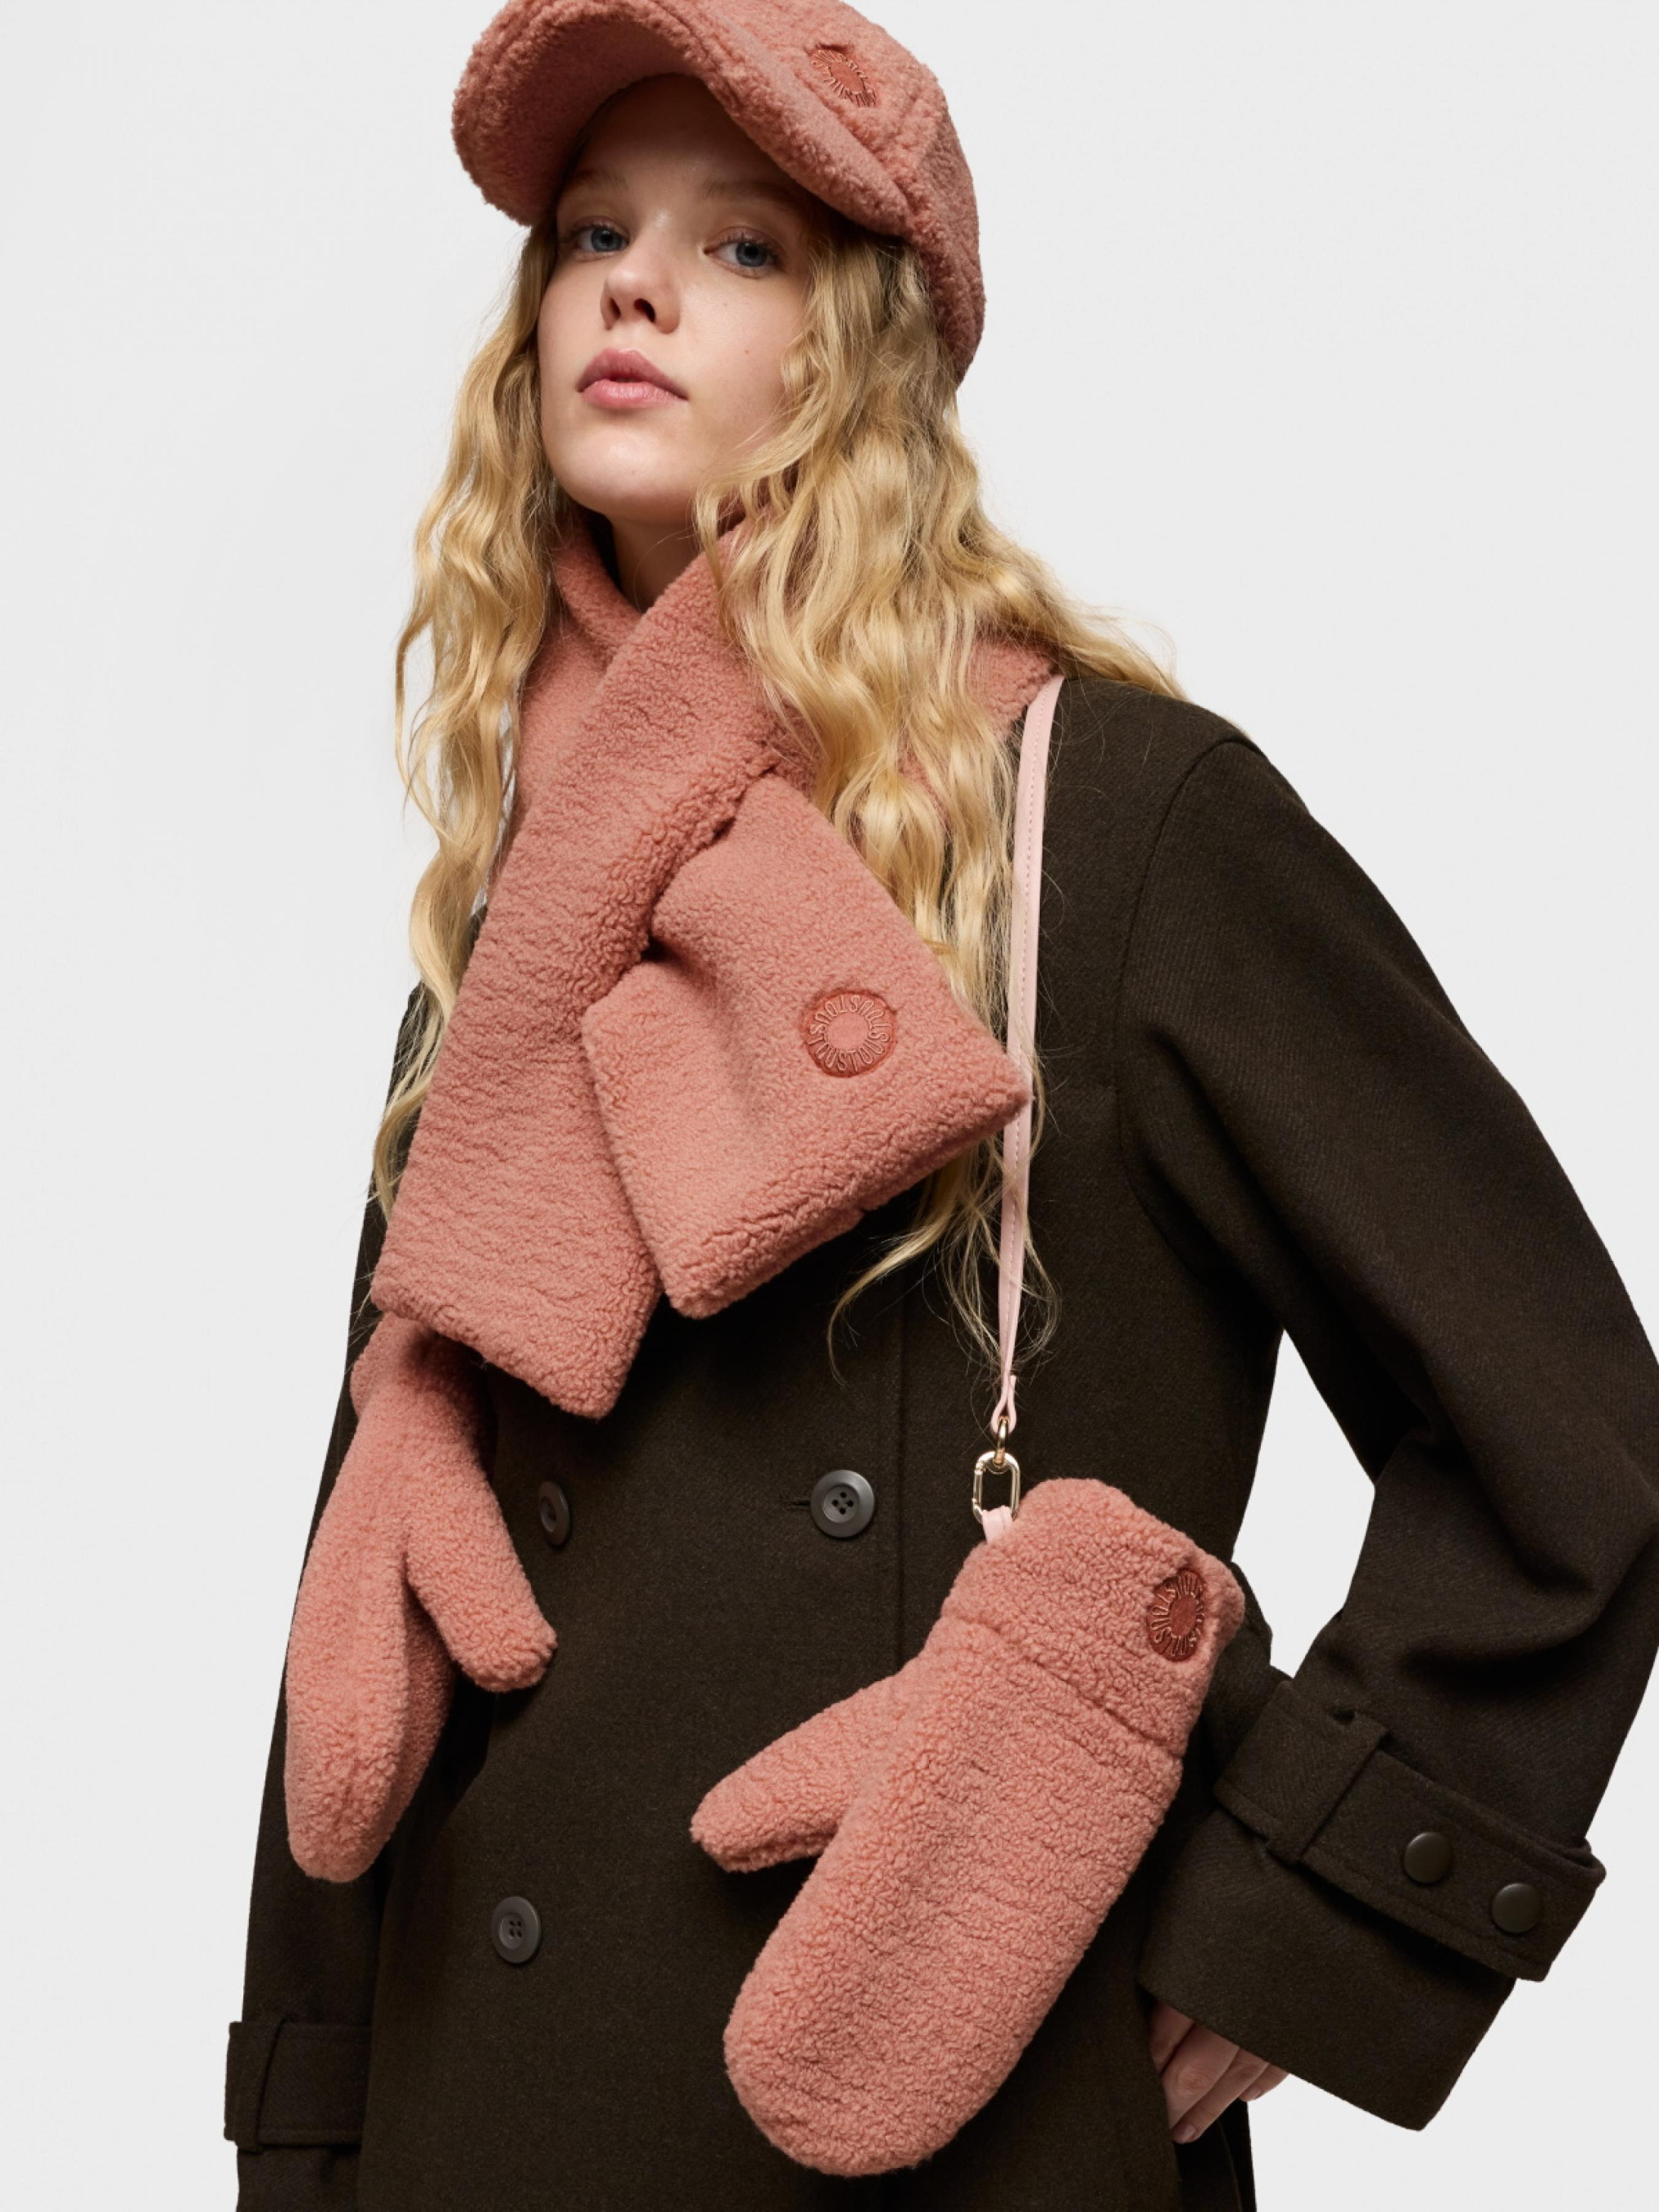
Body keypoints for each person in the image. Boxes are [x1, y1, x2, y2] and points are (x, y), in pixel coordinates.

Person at [224, 5, 1659, 2209]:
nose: (634, 286)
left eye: (742, 246)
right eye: (593, 233)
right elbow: (371, 1580)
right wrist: (306, 2126)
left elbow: (1564, 1429)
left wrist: (1301, 1914)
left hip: (939, 2085)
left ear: (867, 348)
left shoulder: (1118, 821)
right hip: (477, 2121)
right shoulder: (511, 917)